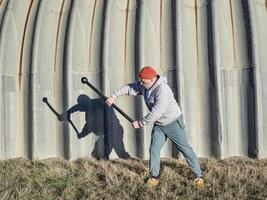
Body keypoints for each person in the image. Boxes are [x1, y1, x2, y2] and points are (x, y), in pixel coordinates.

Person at [105, 66, 204, 188]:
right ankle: (154, 176)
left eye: (143, 82)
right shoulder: (145, 84)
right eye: (140, 81)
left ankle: (198, 176)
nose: (141, 84)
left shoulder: (162, 90)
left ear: (152, 80)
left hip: (173, 123)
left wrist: (140, 123)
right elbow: (130, 88)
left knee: (185, 149)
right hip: (159, 124)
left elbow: (156, 113)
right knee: (154, 149)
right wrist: (113, 96)